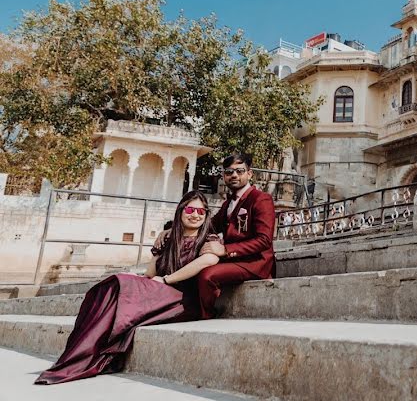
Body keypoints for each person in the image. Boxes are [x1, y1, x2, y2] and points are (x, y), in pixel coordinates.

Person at [35, 191, 220, 385]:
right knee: (112, 285)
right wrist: (158, 252)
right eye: (190, 209)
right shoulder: (168, 238)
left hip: (183, 299)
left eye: (201, 211)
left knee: (120, 288)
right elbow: (150, 273)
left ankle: (84, 356)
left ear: (206, 215)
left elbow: (209, 259)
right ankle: (80, 355)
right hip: (159, 290)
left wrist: (166, 280)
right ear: (181, 211)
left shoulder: (209, 239)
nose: (195, 214)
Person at [195, 152, 275, 319]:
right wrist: (171, 230)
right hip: (235, 260)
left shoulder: (261, 199)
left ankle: (205, 318)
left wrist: (225, 250)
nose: (234, 175)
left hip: (255, 262)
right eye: (229, 172)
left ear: (249, 173)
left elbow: (264, 240)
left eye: (239, 171)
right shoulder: (228, 203)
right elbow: (209, 226)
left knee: (207, 275)